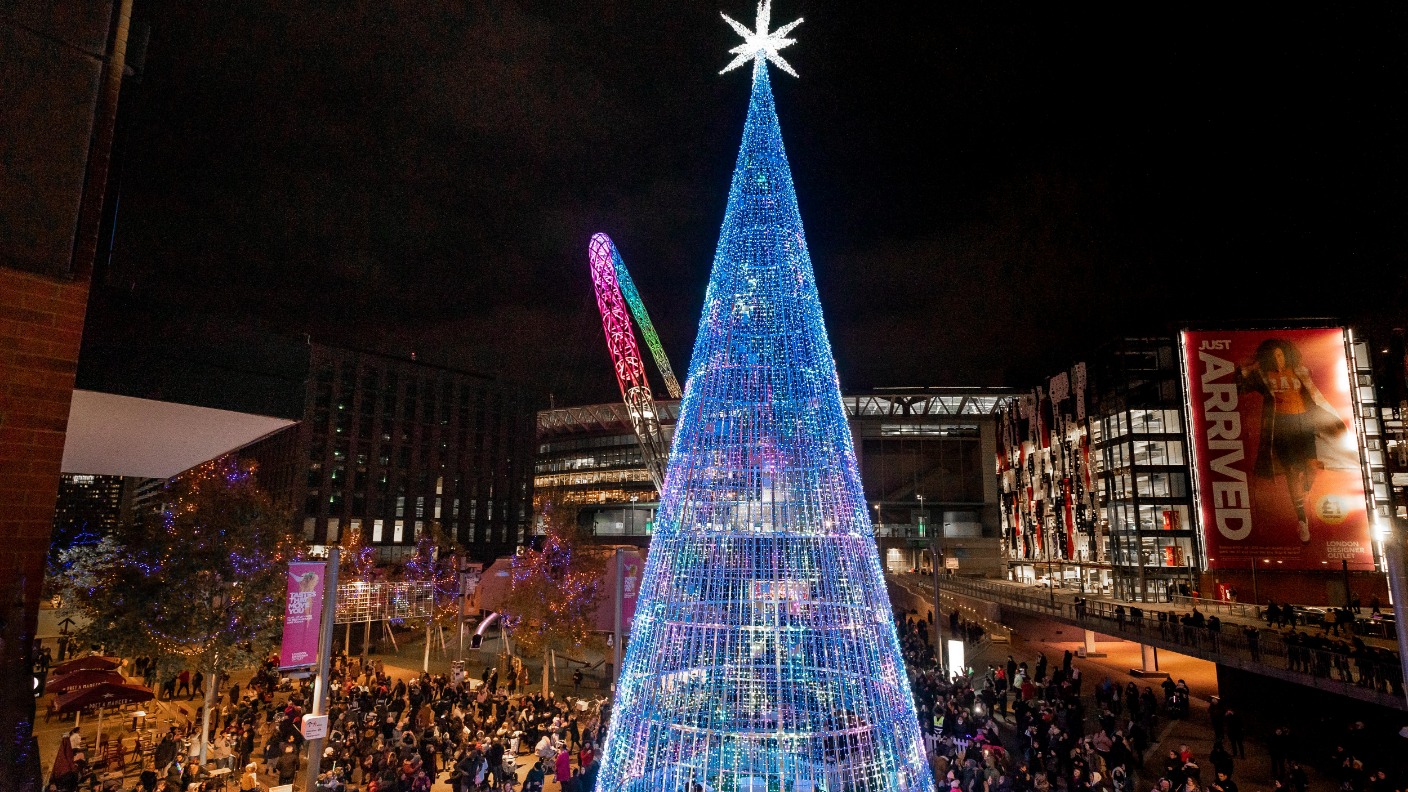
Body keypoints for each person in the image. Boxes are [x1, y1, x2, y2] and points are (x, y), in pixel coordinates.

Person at [1238, 338, 1349, 544]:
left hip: (1304, 422)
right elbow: (1240, 387)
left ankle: (1304, 493)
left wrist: (1331, 420)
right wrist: (1250, 367)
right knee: (1291, 470)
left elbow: (1315, 395)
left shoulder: (1299, 371)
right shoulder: (1262, 375)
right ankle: (1302, 519)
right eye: (1272, 356)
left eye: (1280, 354)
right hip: (1280, 425)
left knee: (1312, 465)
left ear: (1286, 354)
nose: (1277, 359)